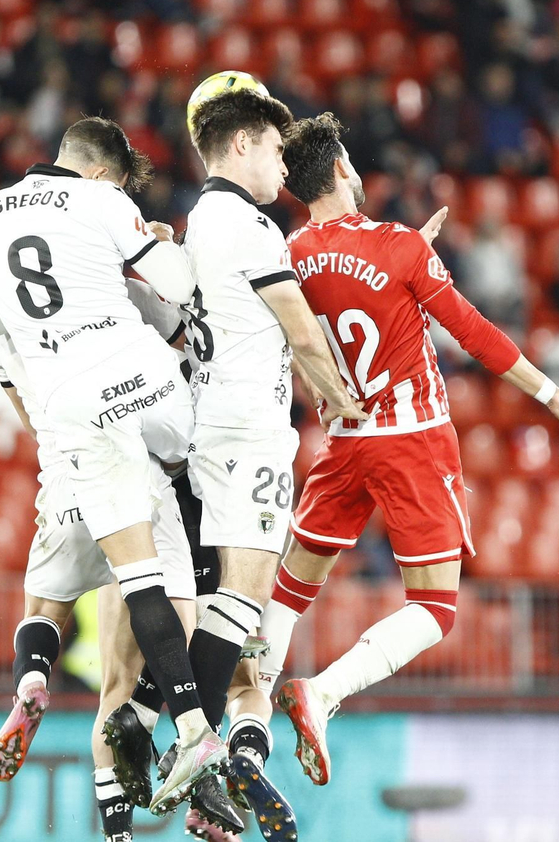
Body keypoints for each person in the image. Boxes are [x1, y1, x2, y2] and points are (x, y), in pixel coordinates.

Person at [222, 113, 559, 794]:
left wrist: (409, 268)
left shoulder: (291, 251)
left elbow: (333, 308)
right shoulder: (398, 246)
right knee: (434, 610)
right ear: (342, 170)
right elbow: (475, 334)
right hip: (412, 439)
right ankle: (325, 694)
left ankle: (243, 735)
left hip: (344, 443)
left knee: (288, 593)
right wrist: (557, 398)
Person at [103, 90, 368, 840]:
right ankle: (176, 733)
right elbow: (302, 330)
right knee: (245, 597)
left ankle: (156, 720)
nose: (283, 168)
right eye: (277, 152)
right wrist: (342, 401)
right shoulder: (249, 225)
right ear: (244, 144)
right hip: (250, 428)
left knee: (225, 596)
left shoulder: (195, 225)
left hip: (204, 422)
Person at [0, 117, 225, 816]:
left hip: (65, 428)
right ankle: (184, 720)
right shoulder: (103, 204)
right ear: (104, 172)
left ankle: (31, 679)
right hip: (141, 388)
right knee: (186, 505)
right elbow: (182, 286)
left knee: (48, 594)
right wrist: (164, 245)